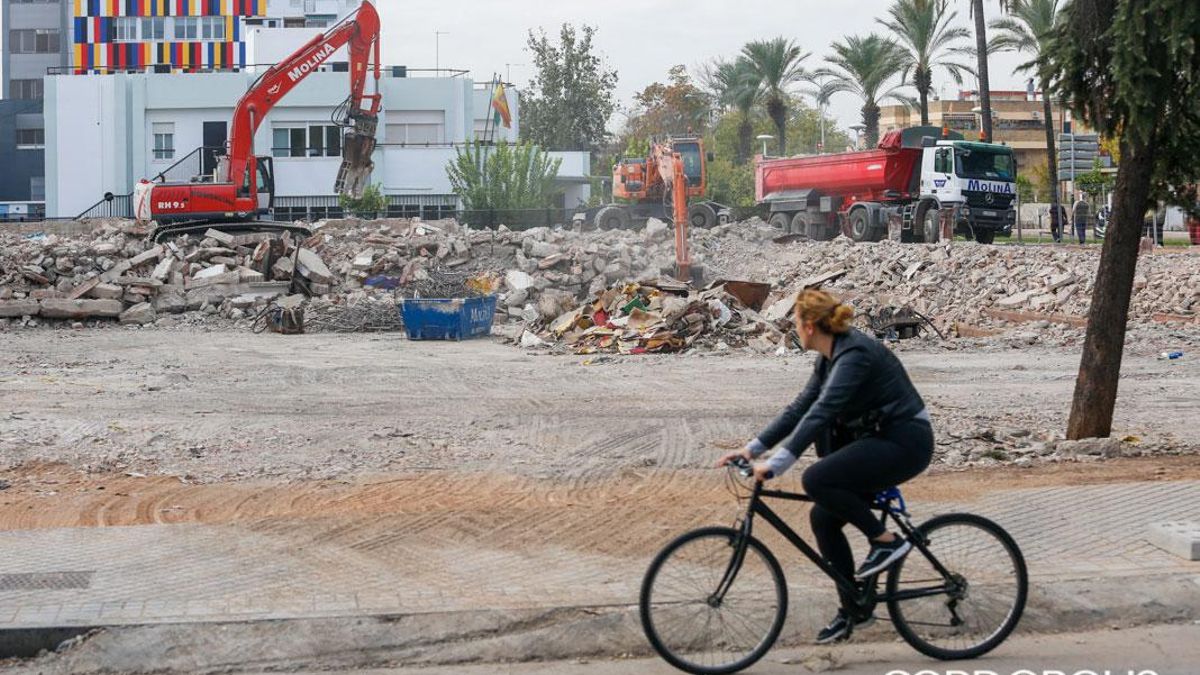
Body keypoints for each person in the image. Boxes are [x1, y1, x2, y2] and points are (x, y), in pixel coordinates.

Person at [717, 289, 934, 645]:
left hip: (904, 442)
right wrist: (751, 449)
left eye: (796, 323)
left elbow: (824, 411)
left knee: (816, 478)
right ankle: (853, 609)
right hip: (877, 440)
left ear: (808, 326)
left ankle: (886, 541)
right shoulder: (829, 356)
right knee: (822, 517)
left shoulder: (854, 355)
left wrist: (776, 464)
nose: (795, 329)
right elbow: (800, 407)